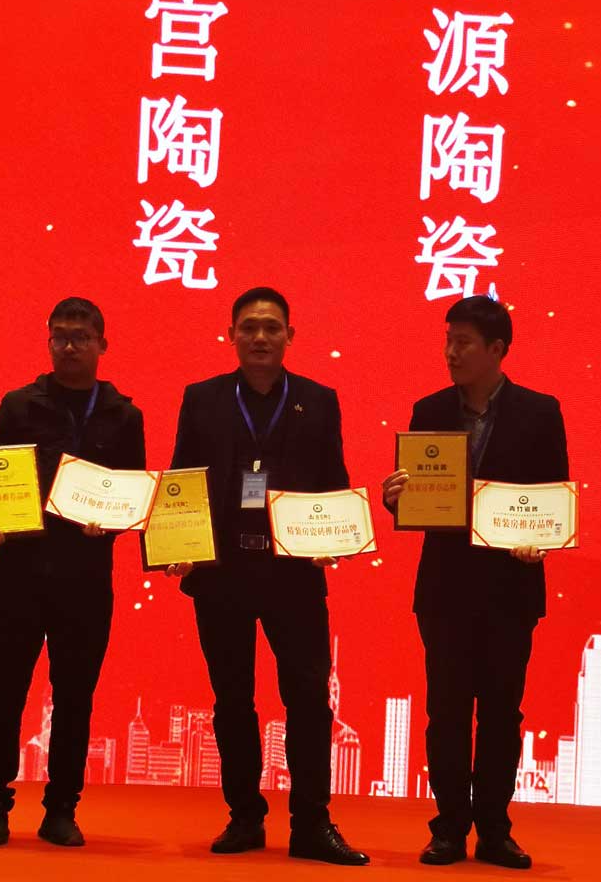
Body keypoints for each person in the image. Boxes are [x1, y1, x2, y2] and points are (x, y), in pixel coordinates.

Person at [166, 287, 369, 866]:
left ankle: (312, 824)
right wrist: (176, 541)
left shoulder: (318, 400)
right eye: (249, 327)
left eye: (272, 327)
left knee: (308, 699)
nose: (260, 337)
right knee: (232, 699)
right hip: (222, 572)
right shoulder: (202, 398)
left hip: (293, 575)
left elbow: (333, 481)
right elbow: (182, 479)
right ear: (231, 335)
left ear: (290, 336)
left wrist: (335, 537)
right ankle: (244, 817)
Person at [382, 295, 569, 870]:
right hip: (445, 588)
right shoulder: (429, 410)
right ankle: (447, 830)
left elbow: (552, 498)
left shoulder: (540, 412)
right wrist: (396, 499)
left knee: (502, 715)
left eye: (463, 342)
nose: (451, 352)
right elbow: (418, 499)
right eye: (448, 340)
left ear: (497, 349)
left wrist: (541, 540)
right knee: (446, 712)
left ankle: (494, 830)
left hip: (511, 587)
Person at [0, 297, 145, 848]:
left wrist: (110, 525)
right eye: (60, 337)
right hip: (16, 575)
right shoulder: (19, 404)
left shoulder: (124, 415)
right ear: (49, 342)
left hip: (86, 580)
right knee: (5, 693)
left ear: (102, 345)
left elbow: (133, 492)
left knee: (74, 697)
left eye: (81, 337)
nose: (70, 346)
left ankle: (62, 809)